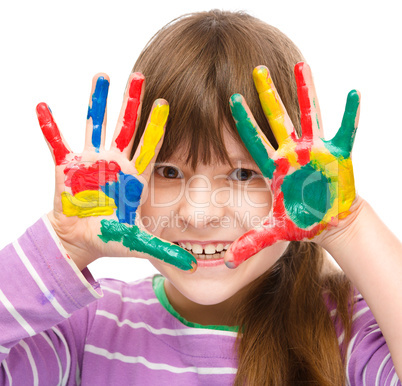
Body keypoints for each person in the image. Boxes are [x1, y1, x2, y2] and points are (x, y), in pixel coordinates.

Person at [0, 9, 401, 385]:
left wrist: (348, 226)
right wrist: (64, 244)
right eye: (169, 172)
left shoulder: (352, 332)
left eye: (244, 174)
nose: (200, 213)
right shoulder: (88, 327)